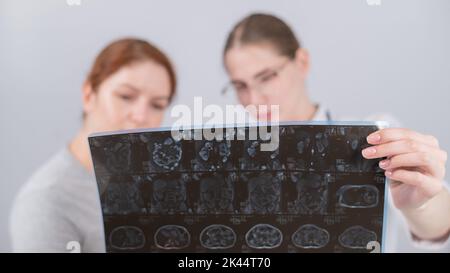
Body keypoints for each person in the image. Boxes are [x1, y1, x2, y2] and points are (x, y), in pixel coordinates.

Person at [221, 13, 450, 252]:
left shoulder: (372, 138)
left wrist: (420, 205)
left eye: (266, 77)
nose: (254, 99)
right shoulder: (230, 157)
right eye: (240, 86)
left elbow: (439, 227)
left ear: (302, 62)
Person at [9, 38, 177, 252]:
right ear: (89, 95)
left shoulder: (157, 183)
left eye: (157, 105)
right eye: (126, 96)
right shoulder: (45, 203)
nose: (141, 117)